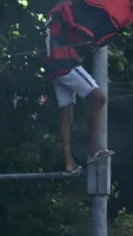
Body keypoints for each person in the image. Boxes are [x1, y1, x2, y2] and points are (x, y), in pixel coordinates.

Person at [43, 33, 106, 175]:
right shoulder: (64, 18)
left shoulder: (49, 22)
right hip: (67, 65)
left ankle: (69, 163)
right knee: (99, 98)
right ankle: (94, 148)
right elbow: (81, 34)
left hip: (54, 69)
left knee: (66, 118)